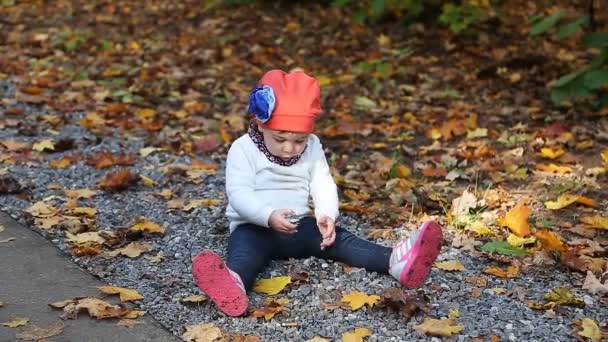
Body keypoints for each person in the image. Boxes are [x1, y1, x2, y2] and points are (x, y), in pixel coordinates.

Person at [192, 69, 443, 317]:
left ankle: (395, 262)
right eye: (280, 139)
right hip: (254, 227)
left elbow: (322, 182)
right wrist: (268, 216)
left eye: (299, 140)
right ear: (260, 123)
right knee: (245, 253)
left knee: (341, 241)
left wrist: (326, 214)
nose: (290, 148)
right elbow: (239, 195)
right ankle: (234, 283)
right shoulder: (243, 149)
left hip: (297, 226)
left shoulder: (312, 146)